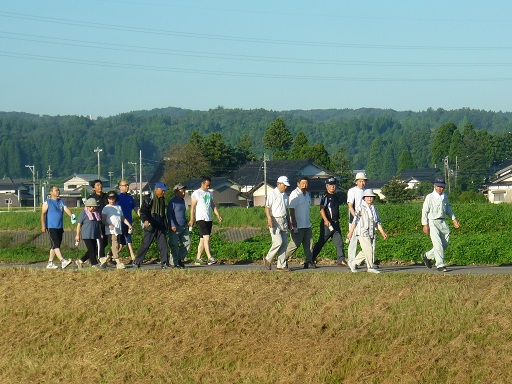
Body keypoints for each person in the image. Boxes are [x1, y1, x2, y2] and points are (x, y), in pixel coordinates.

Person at [421, 178, 460, 272]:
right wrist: (425, 225)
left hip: (442, 222)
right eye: (438, 186)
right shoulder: (429, 197)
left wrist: (454, 219)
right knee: (437, 244)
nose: (440, 189)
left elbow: (448, 209)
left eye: (442, 187)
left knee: (445, 243)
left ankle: (427, 256)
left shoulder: (445, 196)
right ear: (434, 186)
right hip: (432, 221)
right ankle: (440, 265)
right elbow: (425, 211)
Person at [346, 189, 387, 274]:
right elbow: (355, 220)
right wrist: (351, 232)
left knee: (366, 250)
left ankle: (353, 263)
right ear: (364, 198)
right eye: (368, 197)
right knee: (369, 249)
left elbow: (377, 222)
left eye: (371, 197)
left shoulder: (374, 208)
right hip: (362, 232)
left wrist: (382, 232)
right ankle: (370, 267)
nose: (369, 198)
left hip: (371, 232)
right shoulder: (360, 208)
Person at [312, 177, 347, 267]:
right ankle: (311, 259)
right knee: (321, 242)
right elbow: (321, 209)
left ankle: (341, 260)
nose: (333, 187)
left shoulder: (335, 197)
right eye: (331, 185)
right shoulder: (325, 196)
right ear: (327, 186)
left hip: (335, 223)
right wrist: (326, 220)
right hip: (327, 224)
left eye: (334, 185)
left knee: (339, 242)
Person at [134, 182, 170, 269]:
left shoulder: (162, 199)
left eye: (164, 191)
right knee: (146, 244)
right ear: (157, 190)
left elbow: (163, 214)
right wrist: (145, 220)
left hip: (160, 226)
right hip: (151, 226)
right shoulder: (148, 199)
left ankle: (164, 263)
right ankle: (137, 261)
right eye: (162, 190)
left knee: (163, 245)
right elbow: (143, 211)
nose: (164, 192)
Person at [189, 176, 223, 266]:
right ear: (203, 183)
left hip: (209, 218)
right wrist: (192, 218)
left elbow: (212, 205)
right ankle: (209, 258)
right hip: (200, 218)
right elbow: (192, 208)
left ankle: (198, 258)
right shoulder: (196, 193)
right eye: (207, 185)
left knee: (202, 239)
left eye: (209, 185)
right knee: (206, 238)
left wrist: (218, 215)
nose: (208, 187)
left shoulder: (209, 193)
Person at [40, 185, 74, 269]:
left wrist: (72, 216)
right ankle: (62, 261)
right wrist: (43, 225)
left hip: (59, 226)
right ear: (51, 192)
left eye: (58, 190)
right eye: (56, 190)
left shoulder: (61, 202)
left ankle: (50, 263)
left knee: (54, 245)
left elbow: (66, 210)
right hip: (51, 226)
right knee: (56, 245)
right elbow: (43, 214)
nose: (58, 191)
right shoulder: (47, 202)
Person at [285, 176, 314, 269]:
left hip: (307, 224)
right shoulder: (295, 194)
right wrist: (293, 222)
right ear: (298, 184)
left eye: (306, 184)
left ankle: (308, 261)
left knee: (309, 244)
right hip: (298, 224)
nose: (304, 185)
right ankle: (283, 259)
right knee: (294, 244)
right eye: (302, 184)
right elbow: (291, 209)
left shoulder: (307, 195)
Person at [263, 176, 291, 271]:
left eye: (287, 186)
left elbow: (286, 209)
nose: (286, 187)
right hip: (274, 219)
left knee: (284, 243)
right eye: (285, 185)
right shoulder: (273, 194)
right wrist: (269, 219)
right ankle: (268, 258)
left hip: (284, 220)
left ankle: (281, 265)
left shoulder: (285, 195)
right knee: (278, 242)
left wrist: (289, 221)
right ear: (279, 184)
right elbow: (267, 207)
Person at [101, 191, 132, 269]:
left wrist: (129, 225)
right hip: (110, 231)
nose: (111, 199)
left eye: (113, 198)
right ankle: (118, 262)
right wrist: (109, 225)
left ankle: (104, 259)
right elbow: (103, 220)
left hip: (118, 230)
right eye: (110, 198)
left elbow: (122, 217)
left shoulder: (118, 207)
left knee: (116, 246)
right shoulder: (106, 208)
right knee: (115, 245)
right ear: (107, 199)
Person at [347, 172, 368, 267]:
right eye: (360, 181)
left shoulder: (367, 191)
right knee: (353, 242)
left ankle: (358, 261)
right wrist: (355, 216)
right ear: (356, 182)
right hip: (354, 220)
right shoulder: (352, 191)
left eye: (363, 181)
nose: (362, 183)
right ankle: (351, 262)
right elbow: (350, 206)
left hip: (365, 221)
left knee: (367, 242)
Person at [75, 198, 103, 269]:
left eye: (94, 206)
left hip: (95, 235)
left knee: (93, 249)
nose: (93, 208)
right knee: (91, 250)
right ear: (88, 206)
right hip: (86, 235)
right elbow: (79, 225)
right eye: (91, 206)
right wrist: (77, 235)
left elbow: (98, 225)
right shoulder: (83, 213)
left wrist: (100, 233)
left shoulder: (97, 214)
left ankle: (80, 261)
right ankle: (94, 264)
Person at [167, 183, 190, 269]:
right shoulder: (172, 202)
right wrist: (172, 224)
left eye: (184, 191)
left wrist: (186, 221)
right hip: (175, 227)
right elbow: (169, 215)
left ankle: (179, 259)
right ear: (176, 192)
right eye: (181, 191)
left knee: (187, 243)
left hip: (183, 226)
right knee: (174, 245)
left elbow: (182, 213)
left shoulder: (182, 201)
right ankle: (173, 263)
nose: (183, 193)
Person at [117, 179, 139, 264]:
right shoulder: (117, 197)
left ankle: (109, 257)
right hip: (119, 224)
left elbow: (135, 208)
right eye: (125, 185)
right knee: (127, 241)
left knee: (122, 244)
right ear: (120, 187)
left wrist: (142, 216)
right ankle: (133, 258)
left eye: (127, 185)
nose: (127, 187)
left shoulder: (130, 198)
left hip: (128, 223)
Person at [88, 179, 109, 261]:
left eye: (101, 185)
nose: (100, 186)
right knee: (97, 241)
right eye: (97, 185)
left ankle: (91, 256)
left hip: (105, 222)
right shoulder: (91, 198)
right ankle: (100, 258)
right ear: (94, 188)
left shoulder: (106, 196)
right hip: (96, 222)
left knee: (105, 242)